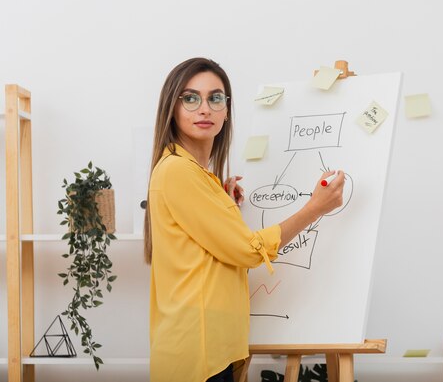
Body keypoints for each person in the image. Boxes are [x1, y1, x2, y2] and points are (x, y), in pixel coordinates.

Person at [143, 57, 345, 382]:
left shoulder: (195, 174)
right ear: (173, 107)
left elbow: (208, 252)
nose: (205, 109)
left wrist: (222, 202)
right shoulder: (178, 171)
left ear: (227, 108)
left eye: (215, 98)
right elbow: (248, 251)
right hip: (198, 355)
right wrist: (314, 209)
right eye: (191, 98)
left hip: (210, 349)